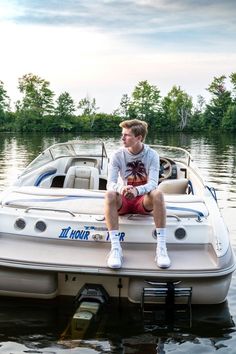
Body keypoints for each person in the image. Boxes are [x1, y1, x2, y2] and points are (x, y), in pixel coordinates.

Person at [104, 119, 171, 269]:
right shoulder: (117, 155)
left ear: (139, 138)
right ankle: (115, 248)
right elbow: (110, 183)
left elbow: (153, 183)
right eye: (122, 134)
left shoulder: (152, 155)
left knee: (158, 194)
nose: (122, 138)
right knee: (109, 194)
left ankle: (161, 248)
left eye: (127, 135)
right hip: (124, 199)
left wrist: (137, 191)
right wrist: (122, 189)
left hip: (143, 200)